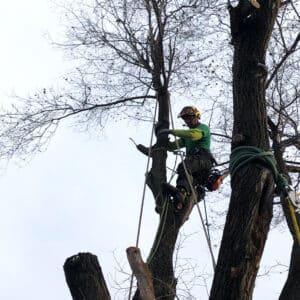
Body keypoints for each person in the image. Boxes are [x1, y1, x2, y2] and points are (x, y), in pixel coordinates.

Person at [137, 106, 215, 211]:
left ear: (196, 116)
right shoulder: (185, 138)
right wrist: (160, 135)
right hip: (195, 168)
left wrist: (171, 131)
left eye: (189, 118)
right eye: (185, 119)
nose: (188, 121)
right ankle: (178, 202)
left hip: (203, 160)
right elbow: (172, 146)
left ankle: (181, 192)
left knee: (184, 166)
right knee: (188, 181)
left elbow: (194, 135)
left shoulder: (202, 128)